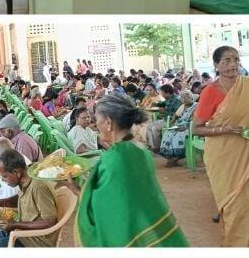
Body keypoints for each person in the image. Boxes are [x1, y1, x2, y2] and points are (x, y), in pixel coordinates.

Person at [69, 94, 188, 246]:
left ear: (108, 123)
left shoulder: (115, 158)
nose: (95, 124)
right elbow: (122, 198)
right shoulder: (139, 149)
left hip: (132, 234)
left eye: (96, 119)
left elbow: (105, 207)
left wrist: (80, 192)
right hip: (152, 230)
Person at [192, 46, 249, 246]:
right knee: (235, 206)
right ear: (216, 65)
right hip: (225, 156)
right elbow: (196, 128)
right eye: (227, 60)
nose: (233, 64)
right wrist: (226, 129)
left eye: (236, 59)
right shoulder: (210, 92)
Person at [0, 149, 58, 247]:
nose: (2, 180)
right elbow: (22, 198)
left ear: (16, 172)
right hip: (19, 232)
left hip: (33, 241)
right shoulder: (24, 180)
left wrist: (15, 224)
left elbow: (50, 222)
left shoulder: (38, 187)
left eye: (5, 176)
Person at [159, 89, 196, 166]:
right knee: (168, 133)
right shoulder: (183, 106)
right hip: (180, 125)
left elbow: (194, 120)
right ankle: (171, 156)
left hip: (189, 126)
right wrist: (171, 124)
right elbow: (175, 116)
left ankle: (176, 157)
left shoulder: (196, 106)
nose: (184, 99)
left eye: (186, 97)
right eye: (182, 97)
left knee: (178, 136)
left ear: (191, 97)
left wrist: (185, 127)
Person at [145, 84, 181, 151]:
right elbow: (162, 104)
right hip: (165, 119)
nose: (161, 95)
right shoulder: (167, 99)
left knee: (154, 128)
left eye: (162, 93)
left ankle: (158, 147)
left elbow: (178, 113)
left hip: (172, 121)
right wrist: (155, 104)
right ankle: (153, 146)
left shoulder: (177, 100)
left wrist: (165, 111)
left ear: (168, 93)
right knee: (148, 126)